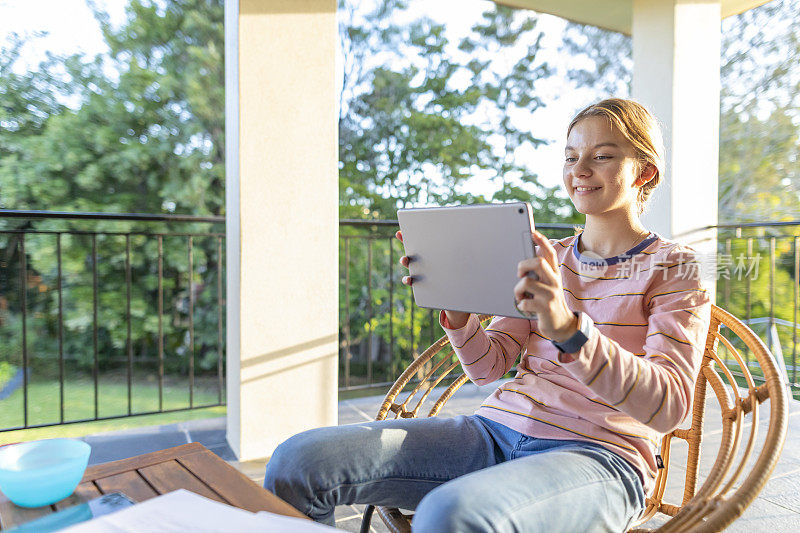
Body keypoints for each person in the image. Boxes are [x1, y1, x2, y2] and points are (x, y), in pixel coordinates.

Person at [263, 98, 711, 532]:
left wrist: (567, 330)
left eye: (603, 155)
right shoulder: (544, 257)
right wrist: (458, 313)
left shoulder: (678, 268)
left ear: (645, 172)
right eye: (571, 156)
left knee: (449, 515)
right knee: (297, 462)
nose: (579, 170)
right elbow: (488, 368)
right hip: (494, 432)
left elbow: (669, 408)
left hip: (600, 457)